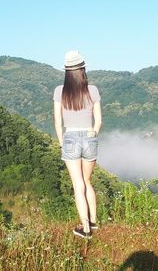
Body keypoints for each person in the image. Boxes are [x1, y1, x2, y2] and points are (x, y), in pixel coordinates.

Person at [53, 50, 102, 239]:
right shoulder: (93, 90)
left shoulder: (59, 91)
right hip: (90, 137)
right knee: (88, 181)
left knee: (77, 184)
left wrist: (61, 143)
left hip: (70, 138)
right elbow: (99, 121)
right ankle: (94, 221)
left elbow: (58, 122)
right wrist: (93, 134)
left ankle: (85, 228)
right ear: (83, 69)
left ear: (66, 71)